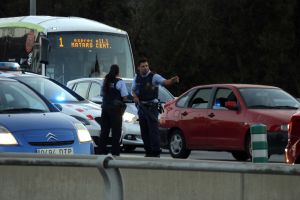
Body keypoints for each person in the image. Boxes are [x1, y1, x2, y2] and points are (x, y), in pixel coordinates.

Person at [131, 57, 179, 157]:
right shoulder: (137, 78)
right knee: (144, 131)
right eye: (143, 66)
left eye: (146, 66)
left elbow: (165, 82)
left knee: (153, 131)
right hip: (141, 108)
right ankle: (148, 151)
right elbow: (133, 90)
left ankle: (156, 152)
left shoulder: (154, 76)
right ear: (138, 68)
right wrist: (135, 96)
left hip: (151, 107)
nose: (145, 68)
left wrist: (172, 80)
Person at [98, 64, 128, 156]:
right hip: (116, 110)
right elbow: (125, 97)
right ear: (118, 72)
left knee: (104, 131)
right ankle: (115, 152)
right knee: (116, 131)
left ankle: (102, 150)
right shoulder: (120, 82)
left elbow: (101, 94)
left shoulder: (105, 81)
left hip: (105, 109)